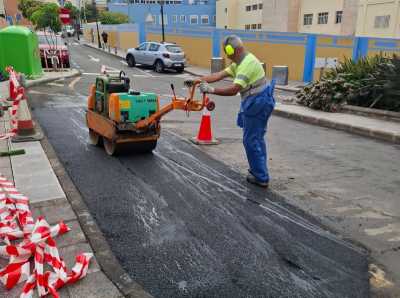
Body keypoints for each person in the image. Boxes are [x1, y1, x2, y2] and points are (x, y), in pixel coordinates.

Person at [185, 35, 275, 188]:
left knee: (251, 140)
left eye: (229, 51)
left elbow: (234, 90)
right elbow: (219, 75)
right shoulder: (238, 62)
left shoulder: (247, 64)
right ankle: (259, 170)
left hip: (258, 102)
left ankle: (261, 177)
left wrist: (211, 90)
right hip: (256, 100)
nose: (227, 55)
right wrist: (198, 80)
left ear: (237, 49)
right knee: (256, 138)